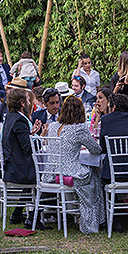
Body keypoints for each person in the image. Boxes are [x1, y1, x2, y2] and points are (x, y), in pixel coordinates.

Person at [44, 96, 103, 233]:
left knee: (89, 174)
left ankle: (79, 216)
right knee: (93, 174)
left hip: (52, 174)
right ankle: (92, 221)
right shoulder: (79, 128)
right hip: (68, 174)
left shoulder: (53, 127)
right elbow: (96, 150)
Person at [0, 86, 36, 223]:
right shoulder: (20, 120)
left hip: (11, 166)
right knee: (45, 176)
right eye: (27, 100)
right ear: (22, 103)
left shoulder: (10, 117)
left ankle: (17, 213)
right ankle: (34, 216)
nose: (29, 103)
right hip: (18, 169)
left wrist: (31, 134)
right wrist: (38, 140)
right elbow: (27, 149)